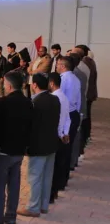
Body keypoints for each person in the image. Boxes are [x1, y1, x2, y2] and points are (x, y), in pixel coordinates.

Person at [0, 71, 33, 224]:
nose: (4, 86)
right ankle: (11, 217)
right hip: (19, 150)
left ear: (10, 86)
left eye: (5, 84)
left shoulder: (2, 103)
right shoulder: (28, 102)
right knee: (14, 185)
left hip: (3, 152)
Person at [17, 73, 60, 218]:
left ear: (34, 85)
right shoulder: (55, 99)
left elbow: (30, 126)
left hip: (38, 145)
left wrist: (26, 145)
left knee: (35, 177)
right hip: (51, 143)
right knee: (47, 176)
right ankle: (43, 205)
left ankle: (33, 207)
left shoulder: (34, 102)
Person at [56, 56, 81, 191]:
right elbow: (79, 100)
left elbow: (61, 101)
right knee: (68, 148)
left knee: (62, 150)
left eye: (58, 64)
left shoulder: (63, 79)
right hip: (74, 114)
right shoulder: (76, 79)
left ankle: (59, 182)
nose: (56, 66)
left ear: (63, 66)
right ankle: (64, 180)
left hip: (66, 116)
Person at [48, 72, 70, 204]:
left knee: (52, 168)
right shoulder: (64, 97)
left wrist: (59, 134)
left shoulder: (53, 98)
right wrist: (64, 133)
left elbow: (54, 120)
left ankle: (50, 195)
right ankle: (54, 192)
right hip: (61, 136)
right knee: (57, 167)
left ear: (51, 83)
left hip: (54, 136)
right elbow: (67, 118)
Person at [74, 45, 97, 147]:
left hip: (86, 94)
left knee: (84, 118)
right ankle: (86, 137)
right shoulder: (89, 62)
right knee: (86, 116)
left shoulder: (84, 64)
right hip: (89, 93)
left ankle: (84, 138)